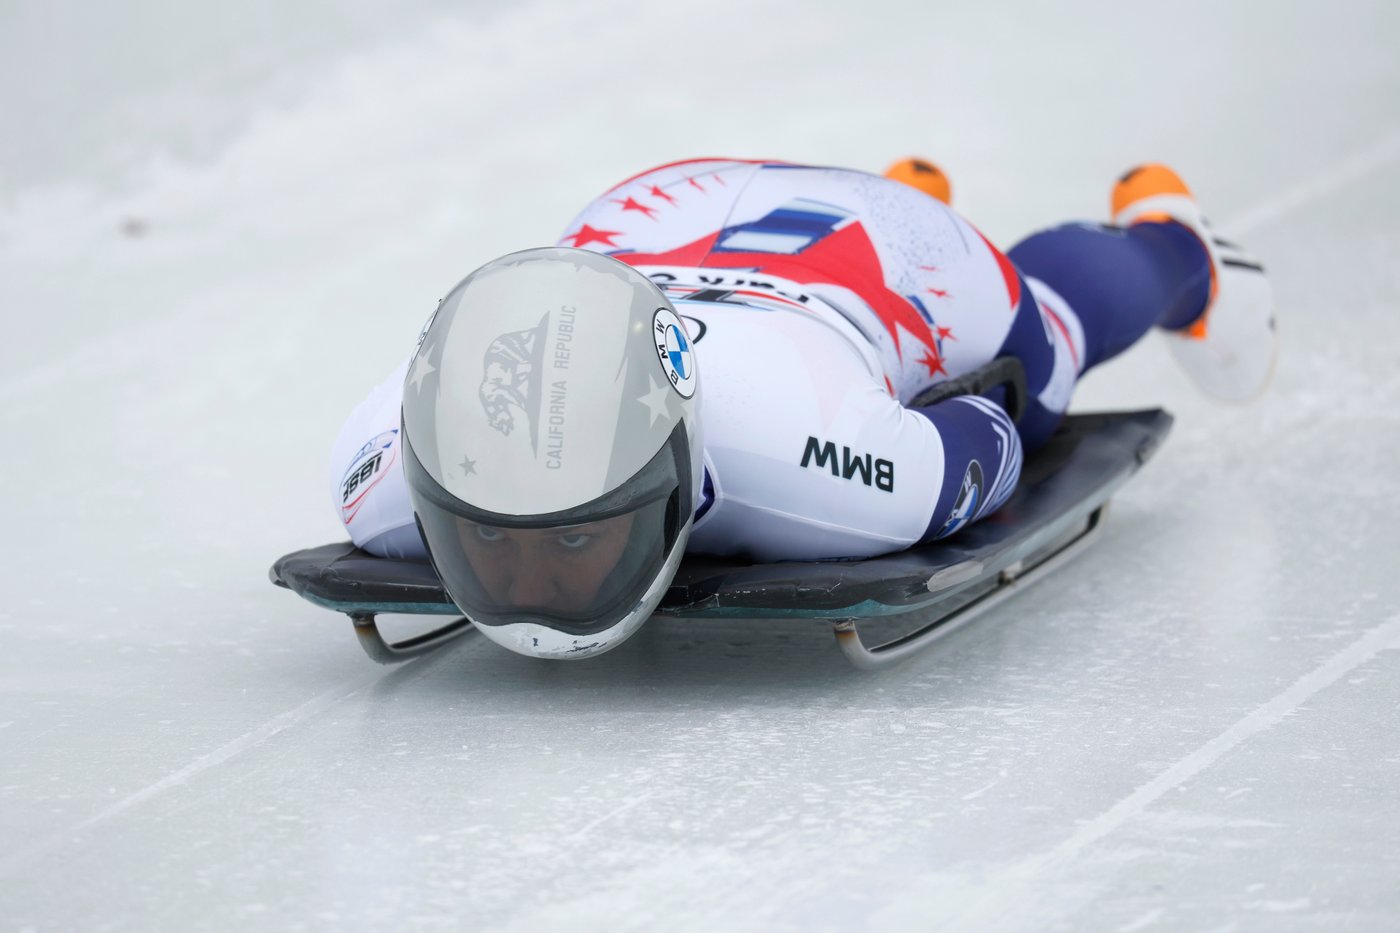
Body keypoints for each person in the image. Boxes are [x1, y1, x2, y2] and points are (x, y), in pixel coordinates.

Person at [329, 158, 1276, 658]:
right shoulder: (385, 465)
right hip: (660, 211)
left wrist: (922, 389)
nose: (527, 581)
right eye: (486, 540)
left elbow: (994, 435)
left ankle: (1175, 242)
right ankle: (897, 190)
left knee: (1047, 351)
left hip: (896, 254)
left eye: (575, 542)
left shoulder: (834, 473)